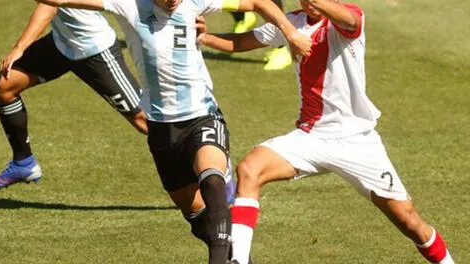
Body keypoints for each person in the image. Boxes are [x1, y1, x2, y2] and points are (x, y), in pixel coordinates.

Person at [32, 0, 312, 263]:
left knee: (213, 183)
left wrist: (289, 32)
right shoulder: (129, 5)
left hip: (202, 116)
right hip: (161, 129)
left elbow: (257, 2)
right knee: (195, 215)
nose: (173, 1)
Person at [195, 0, 455, 263]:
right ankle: (237, 260)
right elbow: (241, 43)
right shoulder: (293, 23)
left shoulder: (348, 18)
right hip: (311, 138)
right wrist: (204, 37)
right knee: (250, 169)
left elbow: (352, 22)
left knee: (409, 221)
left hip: (358, 141)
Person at [0, 4, 147, 190]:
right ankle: (23, 163)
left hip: (94, 50)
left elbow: (49, 5)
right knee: (3, 87)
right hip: (62, 44)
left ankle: (189, 165)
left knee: (142, 120)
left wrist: (20, 47)